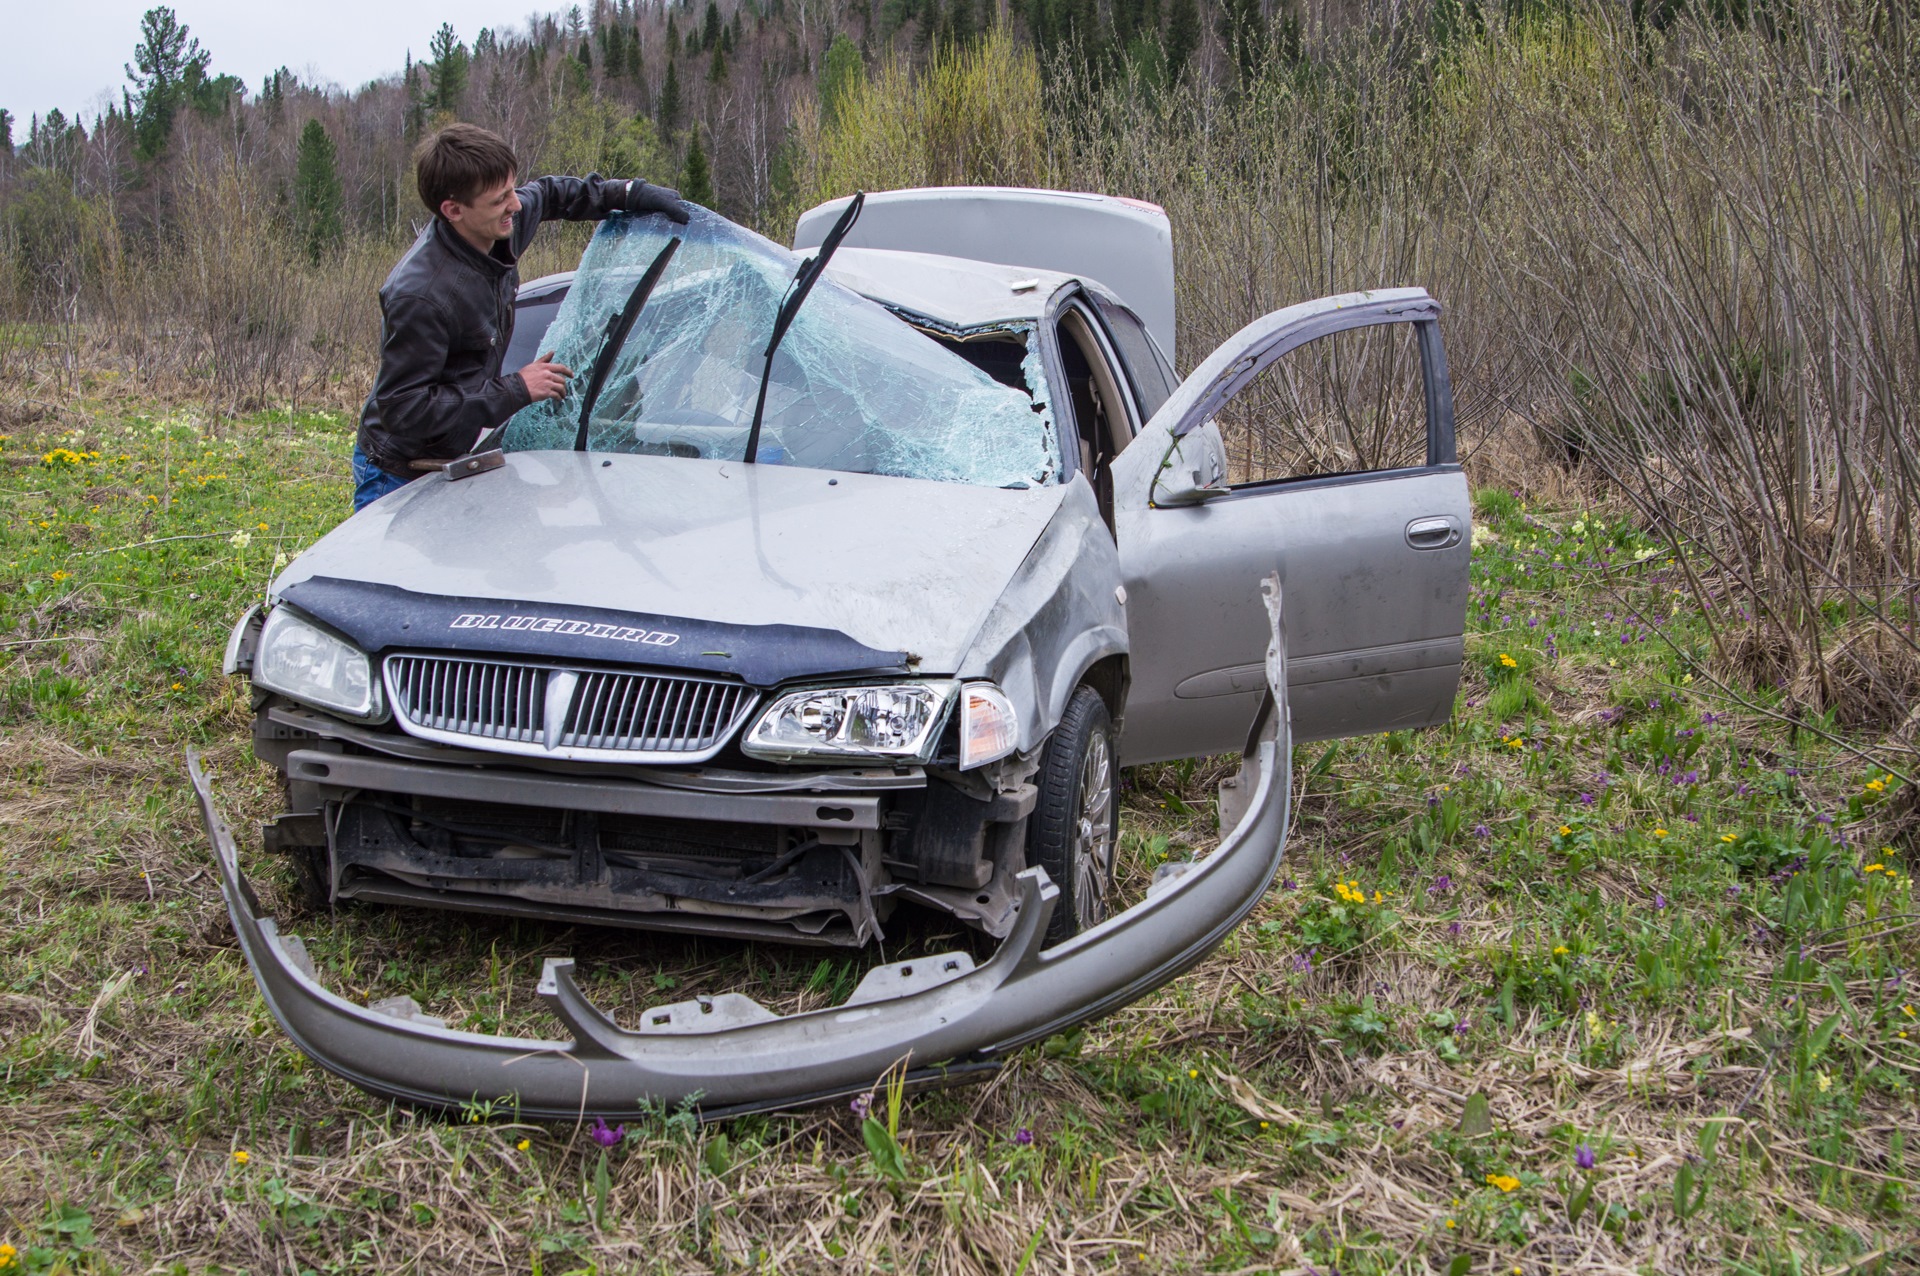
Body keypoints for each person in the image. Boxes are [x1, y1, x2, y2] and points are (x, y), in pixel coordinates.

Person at [352, 123, 688, 510]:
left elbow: (548, 195)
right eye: (500, 200)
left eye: (512, 189)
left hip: (456, 462)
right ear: (453, 210)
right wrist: (516, 388)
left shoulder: (497, 227)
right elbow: (403, 408)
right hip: (398, 474)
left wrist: (629, 193)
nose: (515, 205)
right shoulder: (420, 296)